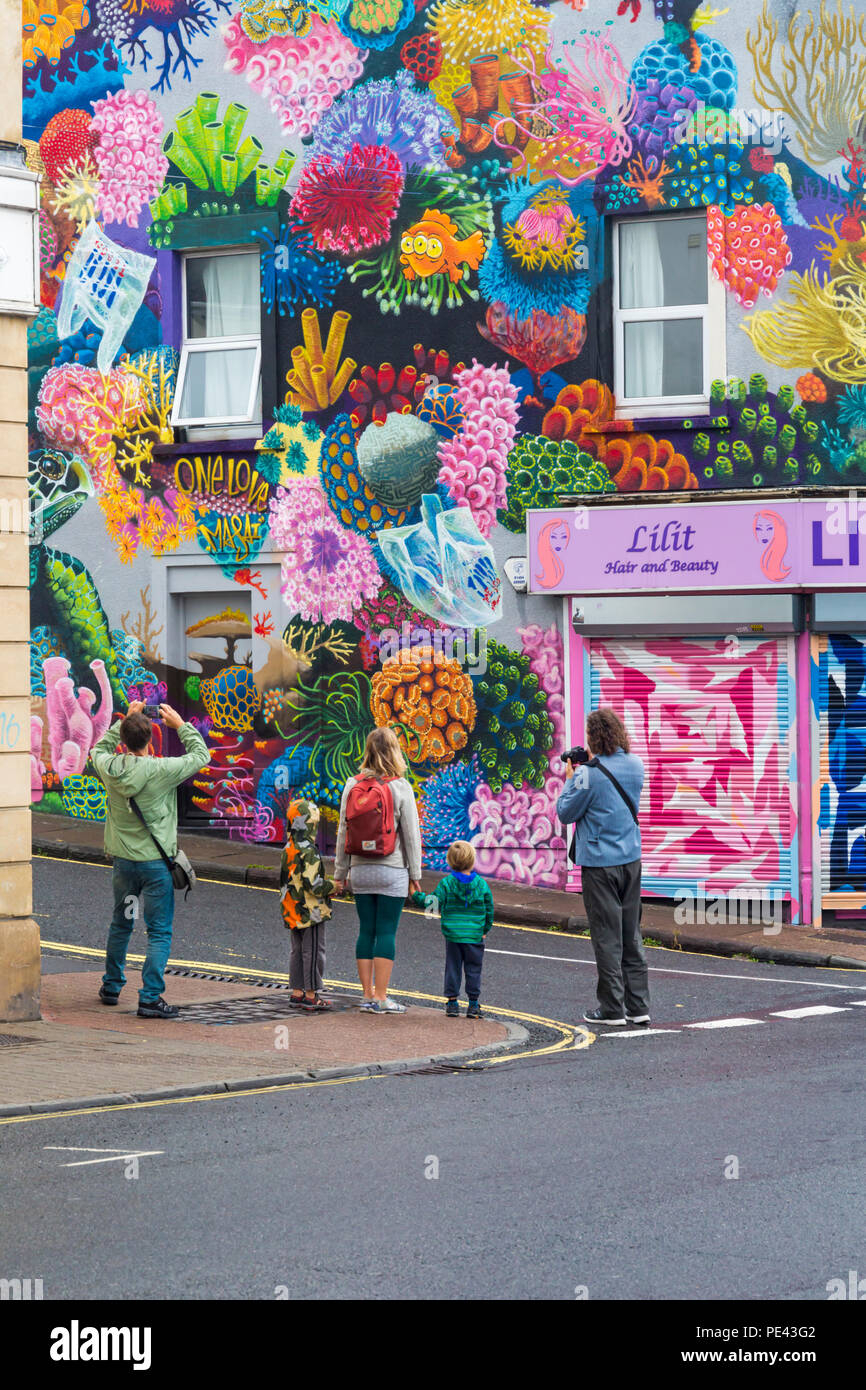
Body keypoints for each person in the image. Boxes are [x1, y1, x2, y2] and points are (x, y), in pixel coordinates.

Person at [92, 701, 210, 1019]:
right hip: (156, 866)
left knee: (122, 923)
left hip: (124, 865)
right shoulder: (162, 770)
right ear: (150, 740)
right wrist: (181, 724)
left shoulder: (108, 764)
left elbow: (97, 747)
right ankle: (150, 997)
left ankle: (112, 986)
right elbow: (201, 755)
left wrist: (126, 719)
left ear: (124, 740)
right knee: (158, 930)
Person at [556, 708, 649, 1028]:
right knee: (630, 934)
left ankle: (611, 1008)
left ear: (594, 737)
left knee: (607, 937)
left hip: (599, 865)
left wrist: (571, 780)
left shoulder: (586, 775)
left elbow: (566, 813)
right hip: (631, 861)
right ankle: (638, 1006)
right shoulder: (636, 765)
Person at [333, 726, 422, 1014]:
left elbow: (343, 831)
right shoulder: (400, 787)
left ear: (368, 750)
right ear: (394, 750)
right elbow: (411, 836)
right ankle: (382, 998)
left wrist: (340, 873)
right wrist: (415, 876)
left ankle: (367, 995)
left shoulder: (352, 784)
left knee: (366, 931)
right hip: (391, 870)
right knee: (386, 931)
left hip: (360, 870)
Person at [411, 839, 493, 1018]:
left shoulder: (446, 884)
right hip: (475, 936)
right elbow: (489, 909)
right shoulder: (481, 884)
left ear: (450, 861)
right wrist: (485, 929)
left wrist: (415, 895)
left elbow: (432, 902)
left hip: (453, 936)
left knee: (453, 968)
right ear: (472, 860)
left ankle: (452, 1003)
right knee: (473, 969)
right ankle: (473, 1005)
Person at [280, 798, 334, 1012]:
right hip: (311, 911)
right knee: (313, 952)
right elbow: (314, 885)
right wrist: (334, 886)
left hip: (292, 908)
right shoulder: (308, 850)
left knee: (297, 950)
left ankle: (297, 992)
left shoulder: (288, 847)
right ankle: (312, 995)